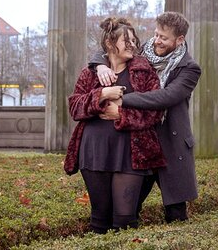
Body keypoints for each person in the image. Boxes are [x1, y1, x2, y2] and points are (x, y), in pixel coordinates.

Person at [93, 11, 202, 223]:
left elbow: (166, 96)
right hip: (141, 138)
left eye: (164, 38)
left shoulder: (189, 68)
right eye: (156, 34)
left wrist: (123, 100)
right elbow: (109, 49)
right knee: (127, 210)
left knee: (176, 213)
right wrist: (100, 65)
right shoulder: (142, 51)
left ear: (180, 40)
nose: (157, 41)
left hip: (171, 142)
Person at [64, 17, 166, 234]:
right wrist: (101, 94)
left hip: (131, 153)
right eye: (125, 40)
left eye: (134, 40)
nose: (132, 45)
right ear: (110, 44)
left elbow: (156, 111)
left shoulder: (144, 72)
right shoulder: (90, 73)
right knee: (99, 220)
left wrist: (121, 114)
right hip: (94, 152)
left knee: (125, 220)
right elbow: (74, 107)